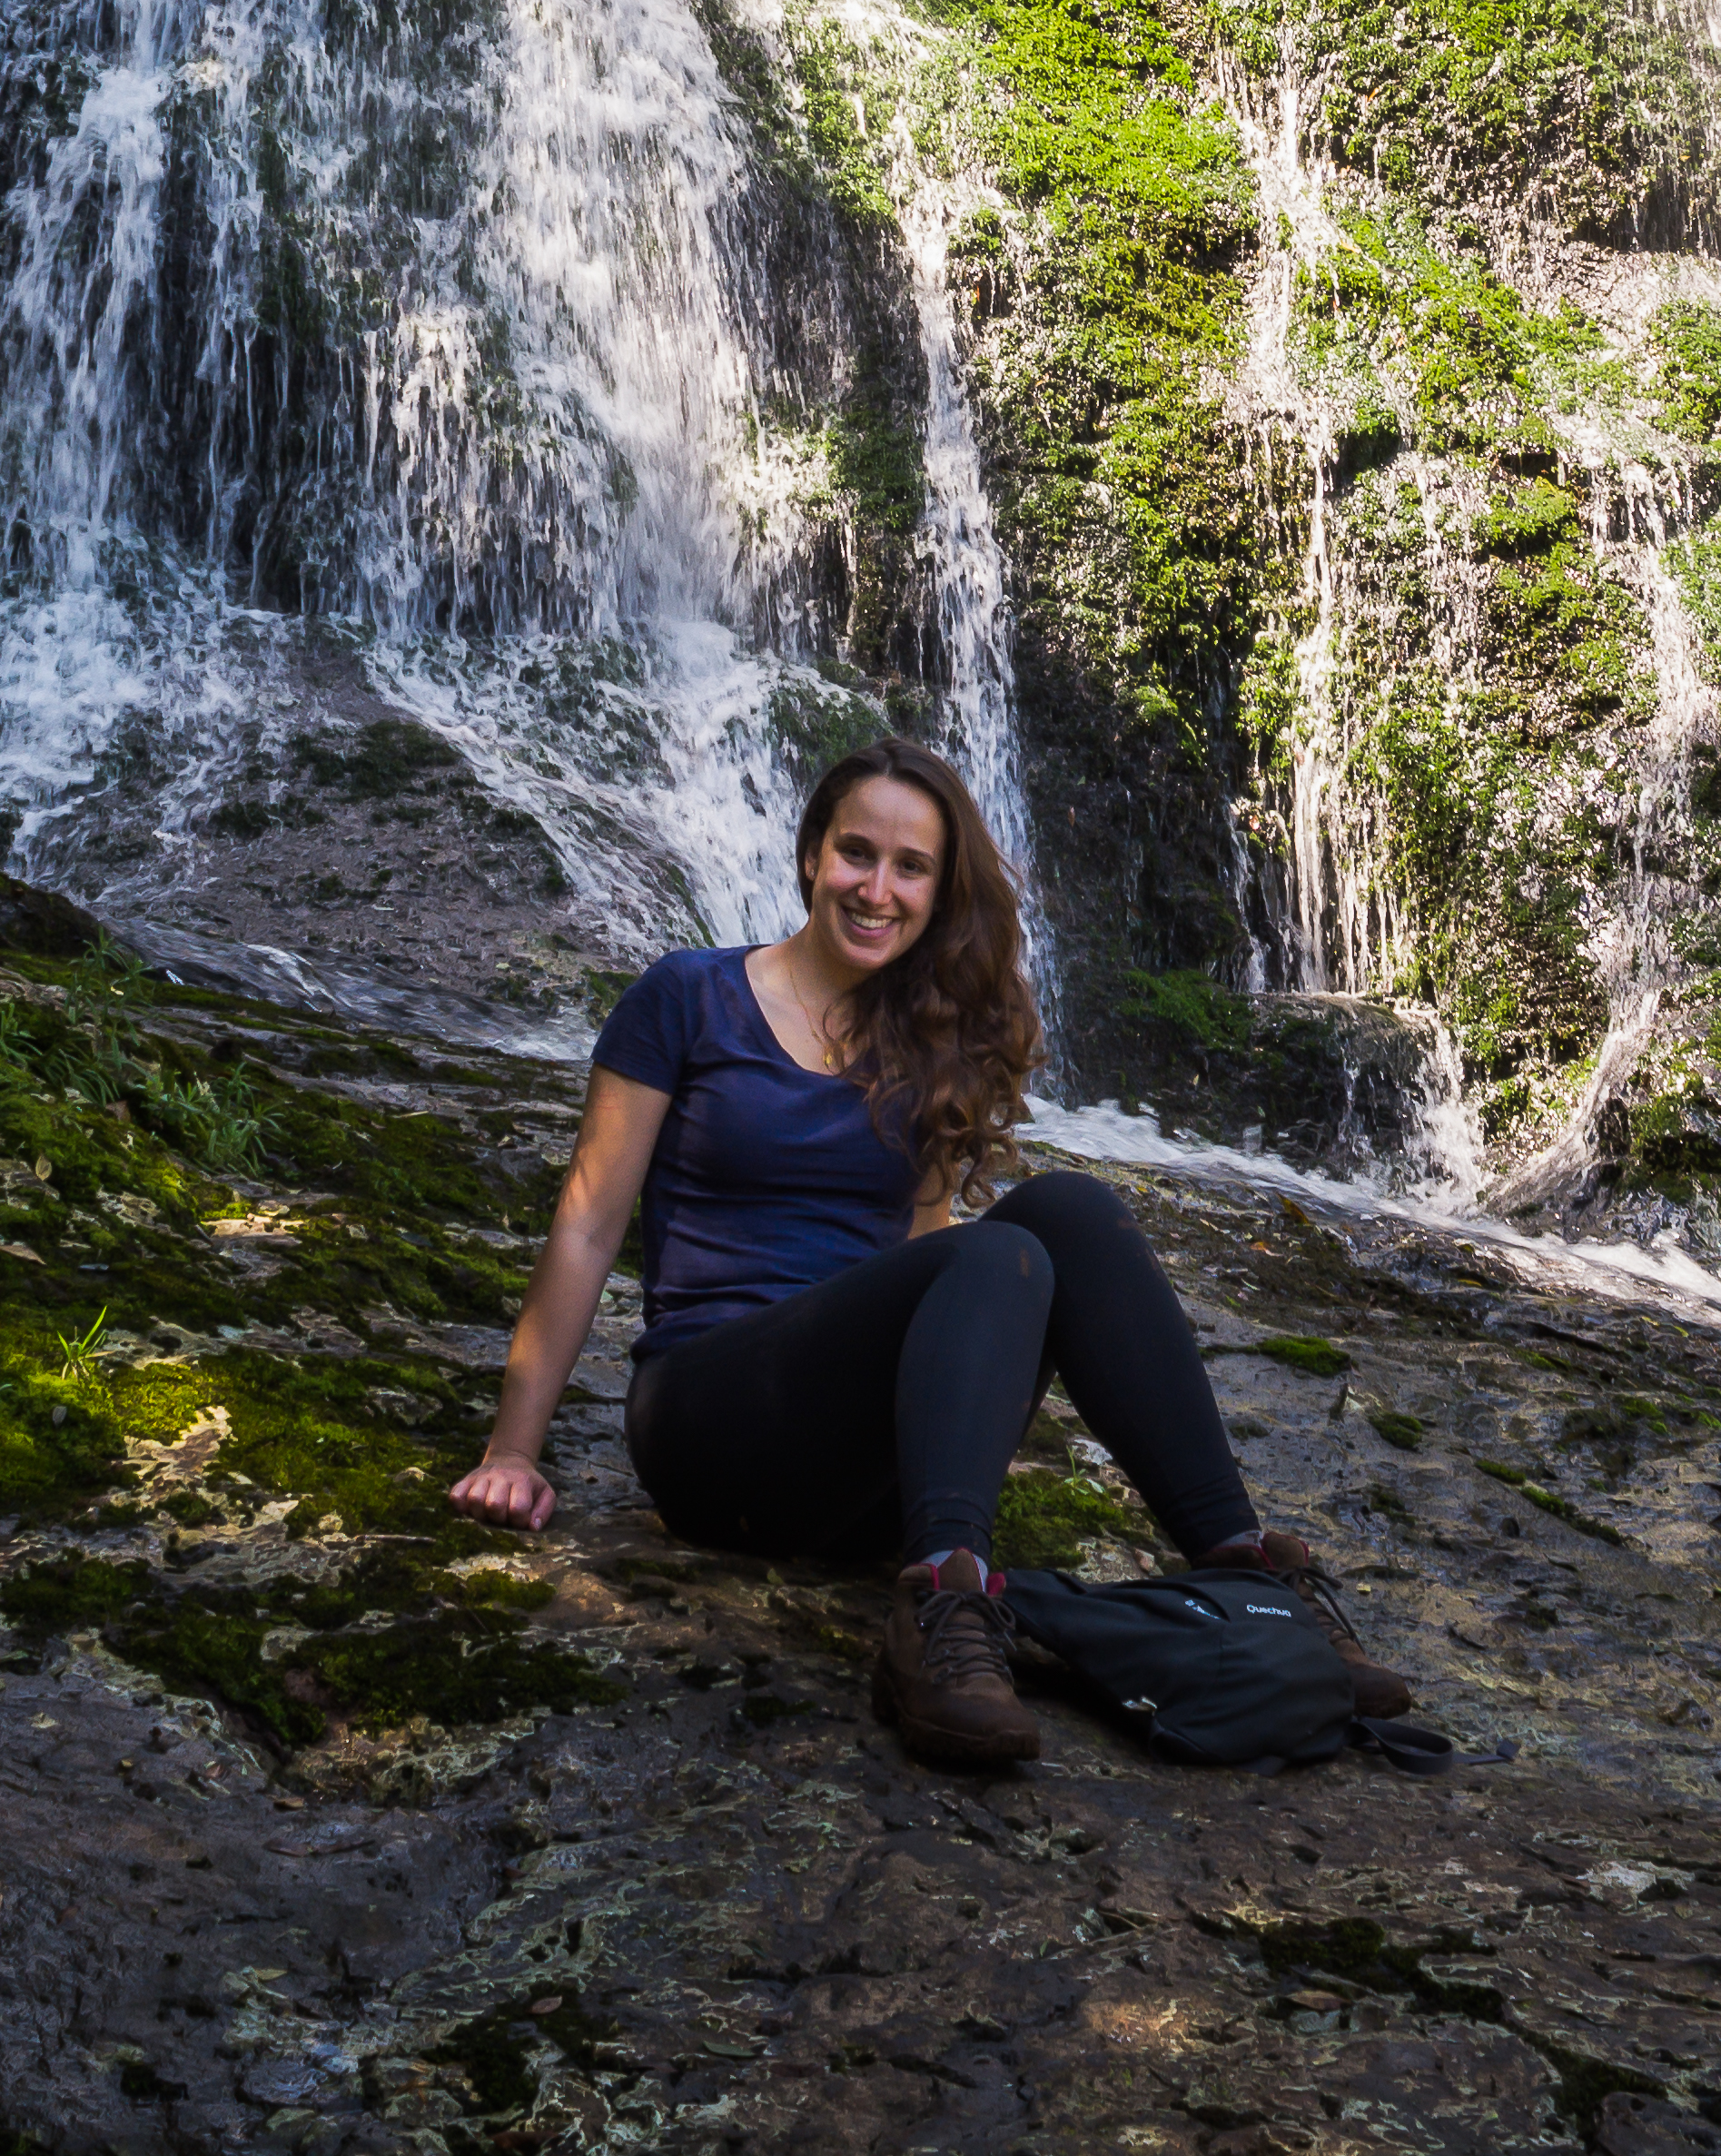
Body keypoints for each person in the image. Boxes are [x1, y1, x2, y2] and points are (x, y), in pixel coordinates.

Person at [448, 737, 1410, 1766]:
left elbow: (919, 1261)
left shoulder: (933, 1038)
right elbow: (589, 1223)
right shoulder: (684, 999)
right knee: (989, 1258)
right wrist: (513, 1449)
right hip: (711, 1418)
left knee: (1070, 1212)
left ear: (940, 890)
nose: (878, 888)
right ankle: (943, 1610)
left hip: (851, 1467)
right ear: (813, 853)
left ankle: (1247, 1571)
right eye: (857, 853)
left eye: (911, 868)